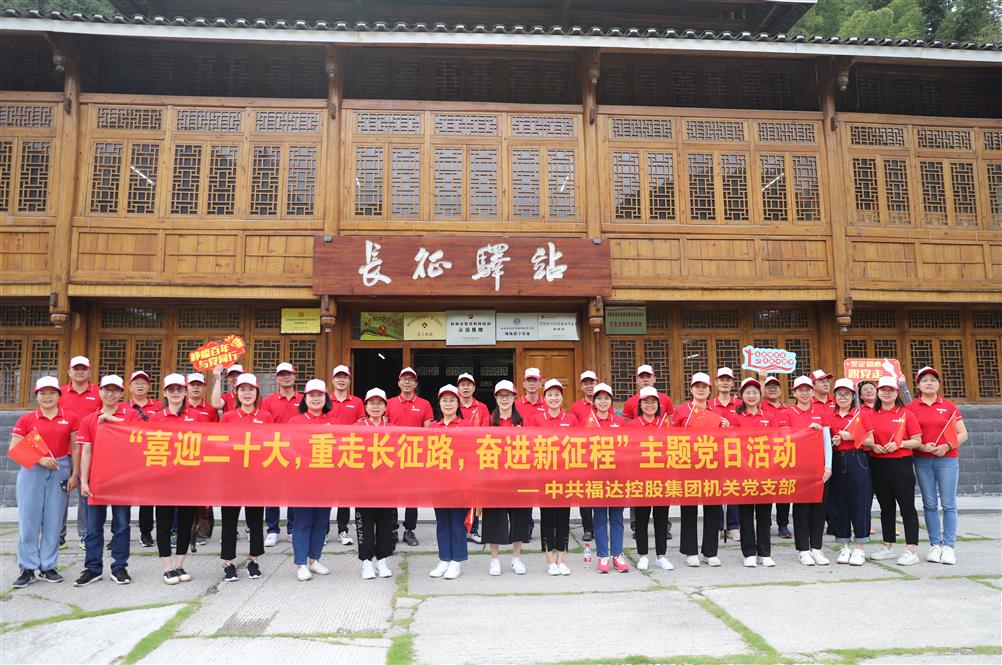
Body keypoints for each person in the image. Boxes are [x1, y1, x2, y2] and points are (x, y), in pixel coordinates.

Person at [10, 377, 78, 588]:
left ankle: (48, 566)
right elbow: (14, 448)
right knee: (28, 521)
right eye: (43, 393)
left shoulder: (70, 418)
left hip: (60, 468)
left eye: (52, 393)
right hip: (32, 470)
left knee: (53, 521)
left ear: (59, 395)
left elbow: (76, 448)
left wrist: (75, 474)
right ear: (36, 395)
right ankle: (27, 567)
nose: (47, 397)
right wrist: (40, 459)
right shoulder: (27, 419)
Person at [149, 373, 209, 584]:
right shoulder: (156, 417)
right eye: (171, 390)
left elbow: (205, 444)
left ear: (185, 392)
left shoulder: (197, 416)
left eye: (179, 389)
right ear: (165, 393)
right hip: (163, 479)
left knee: (185, 523)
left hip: (189, 478)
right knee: (164, 523)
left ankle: (180, 565)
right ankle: (167, 567)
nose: (175, 393)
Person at [74, 375, 133, 586]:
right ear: (99, 392)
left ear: (121, 393)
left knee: (122, 526)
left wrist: (113, 421)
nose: (110, 394)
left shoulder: (131, 415)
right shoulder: (89, 420)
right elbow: (86, 451)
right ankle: (93, 568)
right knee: (93, 527)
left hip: (121, 480)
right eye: (107, 390)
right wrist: (84, 481)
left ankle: (119, 567)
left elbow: (140, 436)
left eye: (115, 390)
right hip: (96, 481)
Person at [908, 366, 968, 565]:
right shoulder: (911, 407)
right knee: (929, 503)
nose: (929, 383)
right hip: (922, 459)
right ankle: (935, 545)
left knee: (949, 504)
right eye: (924, 380)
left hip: (947, 459)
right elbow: (907, 434)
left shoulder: (949, 407)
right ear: (918, 385)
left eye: (933, 380)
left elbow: (963, 434)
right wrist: (922, 446)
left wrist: (947, 446)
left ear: (938, 384)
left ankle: (949, 547)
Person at [673, 372, 730, 567]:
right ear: (691, 389)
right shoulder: (682, 410)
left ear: (709, 390)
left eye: (704, 387)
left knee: (712, 508)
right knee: (689, 508)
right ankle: (690, 551)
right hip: (688, 465)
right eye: (697, 386)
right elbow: (671, 437)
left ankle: (710, 552)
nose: (700, 389)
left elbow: (724, 441)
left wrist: (726, 427)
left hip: (711, 465)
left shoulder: (716, 412)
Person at [217, 374, 271, 582]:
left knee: (255, 520)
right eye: (242, 390)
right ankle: (228, 562)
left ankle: (254, 560)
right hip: (232, 476)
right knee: (229, 521)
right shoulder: (228, 417)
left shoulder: (265, 416)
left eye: (251, 390)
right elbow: (221, 444)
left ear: (257, 393)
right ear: (236, 393)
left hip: (257, 476)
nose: (247, 393)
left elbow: (272, 443)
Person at [865, 376, 923, 566]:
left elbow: (917, 441)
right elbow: (864, 438)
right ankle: (888, 546)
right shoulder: (870, 414)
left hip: (901, 464)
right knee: (886, 508)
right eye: (883, 390)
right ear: (878, 393)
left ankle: (911, 550)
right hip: (878, 464)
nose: (887, 393)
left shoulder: (906, 414)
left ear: (897, 392)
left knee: (907, 508)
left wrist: (900, 444)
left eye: (891, 390)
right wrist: (873, 446)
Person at [528, 379, 578, 575]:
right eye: (550, 395)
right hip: (545, 477)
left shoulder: (571, 419)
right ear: (545, 398)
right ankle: (550, 560)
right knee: (547, 517)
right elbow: (531, 445)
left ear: (562, 398)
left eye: (557, 395)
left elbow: (579, 445)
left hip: (566, 477)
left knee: (564, 517)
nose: (553, 398)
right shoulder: (536, 419)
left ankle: (561, 559)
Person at [288, 379, 335, 581]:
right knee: (302, 522)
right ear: (305, 399)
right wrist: (307, 461)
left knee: (320, 522)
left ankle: (314, 560)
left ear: (326, 398)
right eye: (312, 395)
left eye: (320, 395)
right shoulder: (295, 422)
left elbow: (340, 448)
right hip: (302, 481)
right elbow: (288, 449)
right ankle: (301, 563)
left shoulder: (333, 422)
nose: (316, 399)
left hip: (326, 480)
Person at [483, 380, 530, 576]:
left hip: (518, 478)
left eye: (508, 396)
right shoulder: (488, 421)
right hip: (494, 480)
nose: (504, 399)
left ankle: (516, 558)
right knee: (494, 519)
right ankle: (494, 559)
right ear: (495, 398)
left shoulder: (522, 421)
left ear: (514, 397)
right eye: (501, 396)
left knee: (519, 518)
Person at [827, 378, 874, 566]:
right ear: (834, 397)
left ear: (853, 396)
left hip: (857, 459)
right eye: (839, 394)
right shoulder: (830, 416)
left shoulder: (861, 415)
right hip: (836, 459)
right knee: (839, 503)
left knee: (859, 502)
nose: (843, 398)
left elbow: (871, 441)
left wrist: (853, 437)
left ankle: (860, 547)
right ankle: (844, 545)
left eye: (847, 394)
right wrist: (834, 441)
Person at [731, 378, 777, 568]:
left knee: (764, 514)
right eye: (747, 393)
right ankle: (749, 552)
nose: (751, 396)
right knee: (746, 514)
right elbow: (732, 443)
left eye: (755, 393)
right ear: (741, 396)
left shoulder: (769, 416)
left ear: (760, 396)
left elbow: (776, 441)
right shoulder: (736, 417)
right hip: (743, 471)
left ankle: (765, 553)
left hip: (766, 471)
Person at [386, 367, 434, 548]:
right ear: (398, 382)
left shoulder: (424, 404)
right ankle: (392, 529)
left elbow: (428, 431)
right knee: (391, 494)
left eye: (411, 379)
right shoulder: (389, 403)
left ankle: (409, 530)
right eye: (404, 379)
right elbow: (383, 429)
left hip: (414, 455)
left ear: (415, 383)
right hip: (392, 455)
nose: (407, 382)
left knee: (411, 495)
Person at [626, 386, 672, 571]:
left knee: (661, 519)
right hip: (640, 479)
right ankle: (643, 555)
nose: (650, 405)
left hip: (662, 478)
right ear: (640, 404)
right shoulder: (632, 425)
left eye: (653, 402)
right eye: (646, 402)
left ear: (659, 405)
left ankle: (661, 556)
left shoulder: (666, 424)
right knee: (641, 519)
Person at [354, 388, 397, 580]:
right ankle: (366, 562)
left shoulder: (393, 428)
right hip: (363, 485)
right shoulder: (357, 427)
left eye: (380, 403)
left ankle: (382, 560)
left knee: (385, 524)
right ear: (365, 406)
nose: (375, 407)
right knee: (364, 524)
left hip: (387, 485)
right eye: (371, 403)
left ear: (386, 407)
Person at [787, 375, 831, 566]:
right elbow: (785, 438)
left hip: (819, 468)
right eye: (800, 390)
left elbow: (827, 440)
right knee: (801, 510)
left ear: (813, 392)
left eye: (807, 390)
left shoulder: (820, 412)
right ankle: (803, 549)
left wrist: (828, 465)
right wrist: (807, 430)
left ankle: (816, 548)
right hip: (798, 469)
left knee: (819, 509)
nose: (804, 393)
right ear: (794, 393)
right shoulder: (789, 413)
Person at [428, 385, 469, 580]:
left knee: (457, 522)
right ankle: (444, 558)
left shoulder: (466, 426)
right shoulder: (433, 428)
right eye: (444, 400)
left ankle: (457, 561)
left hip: (460, 483)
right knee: (442, 522)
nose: (448, 404)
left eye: (452, 400)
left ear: (458, 404)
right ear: (439, 403)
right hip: (438, 483)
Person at [59, 356, 99, 551]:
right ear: (69, 372)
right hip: (62, 453)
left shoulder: (99, 393)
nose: (80, 371)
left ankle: (85, 536)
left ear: (89, 372)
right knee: (60, 497)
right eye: (76, 368)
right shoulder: (59, 393)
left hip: (89, 454)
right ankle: (58, 536)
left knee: (86, 495)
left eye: (84, 368)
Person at [261, 362, 302, 548]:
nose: (286, 377)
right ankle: (273, 530)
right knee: (272, 493)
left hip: (296, 451)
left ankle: (292, 529)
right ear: (277, 379)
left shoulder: (303, 399)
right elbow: (264, 426)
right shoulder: (268, 401)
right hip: (275, 450)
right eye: (282, 374)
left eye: (289, 374)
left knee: (294, 492)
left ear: (294, 376)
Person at [326, 364, 364, 548]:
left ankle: (343, 530)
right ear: (333, 380)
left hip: (348, 453)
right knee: (325, 495)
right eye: (338, 377)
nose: (341, 380)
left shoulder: (357, 402)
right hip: (327, 452)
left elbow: (361, 425)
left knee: (344, 496)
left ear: (349, 380)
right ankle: (323, 531)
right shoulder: (325, 400)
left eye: (345, 377)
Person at [711, 368, 742, 541]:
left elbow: (745, 426)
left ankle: (733, 526)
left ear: (732, 383)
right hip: (713, 452)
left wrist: (731, 428)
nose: (724, 382)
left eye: (728, 380)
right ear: (716, 382)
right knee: (715, 488)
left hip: (734, 451)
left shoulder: (739, 405)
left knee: (733, 488)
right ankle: (717, 525)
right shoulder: (709, 405)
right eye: (721, 379)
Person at [761, 375, 793, 539]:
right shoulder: (760, 407)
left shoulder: (788, 410)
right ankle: (765, 523)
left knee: (783, 491)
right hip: (763, 455)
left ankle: (783, 524)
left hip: (783, 455)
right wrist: (761, 378)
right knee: (765, 489)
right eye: (768, 387)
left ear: (781, 390)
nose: (772, 389)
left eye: (775, 387)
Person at [569, 370, 598, 540]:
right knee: (585, 494)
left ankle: (600, 526)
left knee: (601, 492)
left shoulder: (604, 402)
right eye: (586, 383)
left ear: (596, 383)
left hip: (603, 454)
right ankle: (588, 528)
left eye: (591, 382)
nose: (589, 386)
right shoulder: (575, 407)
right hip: (583, 454)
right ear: (581, 386)